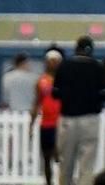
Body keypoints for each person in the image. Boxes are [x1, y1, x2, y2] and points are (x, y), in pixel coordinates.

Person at [53, 36, 105, 185]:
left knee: (66, 163)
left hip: (68, 119)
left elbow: (55, 93)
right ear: (91, 50)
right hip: (90, 119)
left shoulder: (65, 66)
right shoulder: (98, 67)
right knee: (87, 164)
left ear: (76, 48)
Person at [32, 49, 63, 185]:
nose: (52, 64)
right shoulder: (41, 81)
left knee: (60, 156)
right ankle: (48, 182)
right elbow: (36, 102)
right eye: (50, 61)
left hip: (61, 123)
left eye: (55, 61)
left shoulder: (64, 80)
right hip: (46, 123)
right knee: (46, 157)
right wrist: (31, 123)